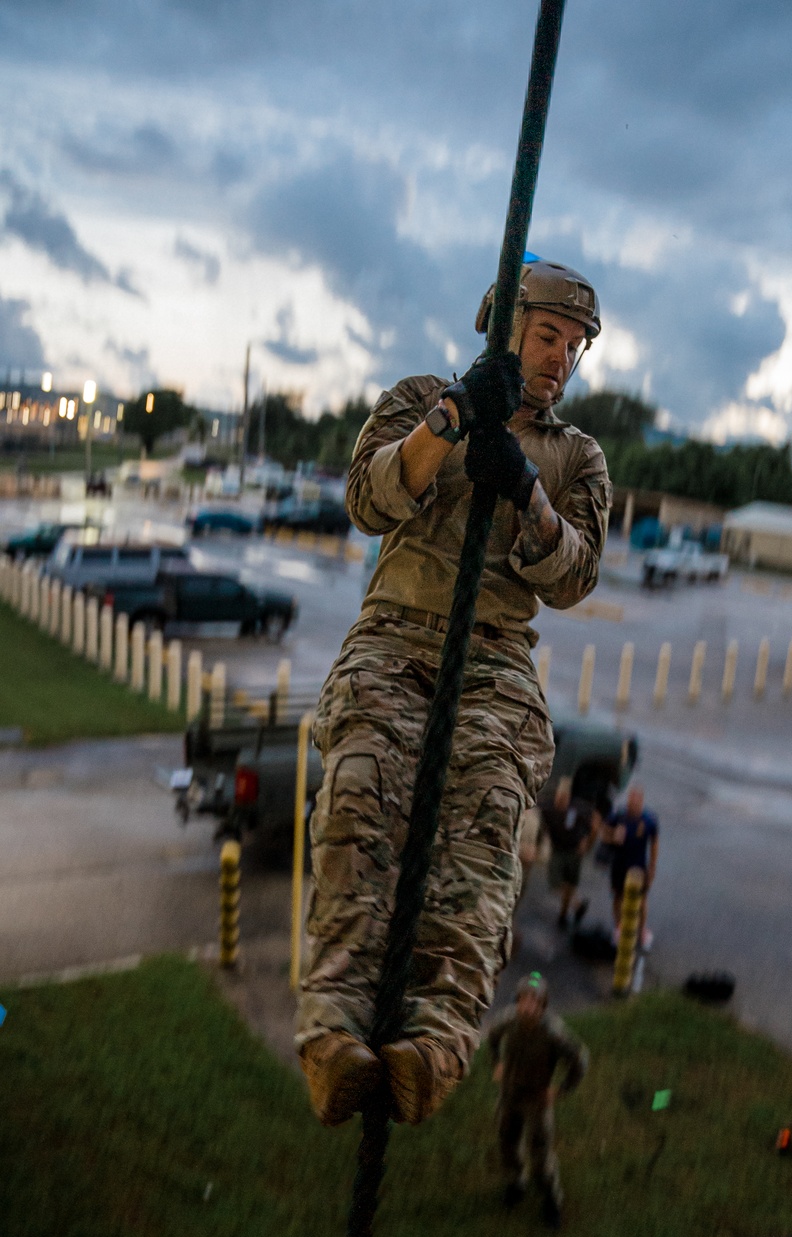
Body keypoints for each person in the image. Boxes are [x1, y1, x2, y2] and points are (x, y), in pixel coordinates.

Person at [296, 260, 610, 1129]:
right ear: (503, 324)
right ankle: (333, 1037)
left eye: (575, 346)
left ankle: (431, 1045)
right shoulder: (418, 397)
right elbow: (369, 496)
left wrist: (527, 492)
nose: (561, 359)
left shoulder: (578, 457)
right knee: (359, 802)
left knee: (486, 843)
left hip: (497, 659)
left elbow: (576, 574)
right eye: (548, 336)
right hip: (398, 634)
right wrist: (452, 420)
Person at [485, 971, 588, 1230]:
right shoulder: (509, 1021)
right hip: (509, 1095)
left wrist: (561, 1089)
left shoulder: (553, 1032)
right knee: (507, 1141)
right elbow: (493, 1036)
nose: (527, 1006)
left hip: (536, 1100)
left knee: (541, 1155)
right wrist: (497, 1063)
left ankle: (551, 1199)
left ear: (542, 1004)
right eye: (523, 999)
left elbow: (579, 1060)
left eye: (534, 1001)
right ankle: (516, 1182)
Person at [602, 784, 658, 951]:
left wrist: (652, 868)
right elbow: (604, 833)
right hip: (619, 865)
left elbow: (654, 844)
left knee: (641, 901)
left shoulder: (648, 820)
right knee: (618, 897)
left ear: (641, 801)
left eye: (635, 801)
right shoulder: (619, 815)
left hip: (638, 868)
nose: (632, 803)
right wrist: (613, 836)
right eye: (630, 800)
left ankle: (641, 931)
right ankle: (619, 927)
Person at [539, 775, 599, 928]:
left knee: (571, 884)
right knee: (556, 883)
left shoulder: (578, 808)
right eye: (560, 797)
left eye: (565, 798)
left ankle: (563, 915)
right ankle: (577, 905)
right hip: (559, 849)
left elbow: (595, 822)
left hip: (574, 851)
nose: (562, 801)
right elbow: (539, 816)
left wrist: (588, 843)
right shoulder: (548, 807)